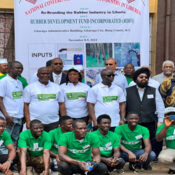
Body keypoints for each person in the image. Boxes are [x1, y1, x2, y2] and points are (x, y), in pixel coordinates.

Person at [126, 67, 165, 157]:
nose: (144, 79)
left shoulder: (153, 90)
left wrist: (160, 120)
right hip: (134, 122)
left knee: (152, 141)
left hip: (150, 121)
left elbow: (160, 106)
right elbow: (124, 105)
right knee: (136, 142)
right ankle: (137, 160)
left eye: (146, 77)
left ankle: (151, 159)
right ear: (136, 79)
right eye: (141, 77)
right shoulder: (128, 90)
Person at [24, 67, 66, 132]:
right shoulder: (30, 88)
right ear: (38, 75)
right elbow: (26, 105)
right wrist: (28, 121)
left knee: (53, 141)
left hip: (54, 121)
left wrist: (63, 121)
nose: (45, 75)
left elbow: (61, 104)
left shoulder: (57, 87)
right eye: (42, 74)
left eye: (47, 74)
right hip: (36, 122)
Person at [0, 61, 24, 146]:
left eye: (21, 68)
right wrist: (6, 116)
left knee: (14, 139)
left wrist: (23, 115)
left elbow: (20, 99)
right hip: (9, 117)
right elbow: (0, 100)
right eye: (17, 68)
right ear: (10, 69)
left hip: (19, 116)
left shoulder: (19, 82)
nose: (20, 70)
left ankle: (11, 158)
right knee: (4, 140)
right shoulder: (3, 81)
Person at [156, 107, 175, 174]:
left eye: (174, 114)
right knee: (162, 158)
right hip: (171, 150)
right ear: (165, 116)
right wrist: (166, 127)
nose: (172, 116)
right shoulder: (162, 126)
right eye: (169, 114)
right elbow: (158, 139)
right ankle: (173, 168)